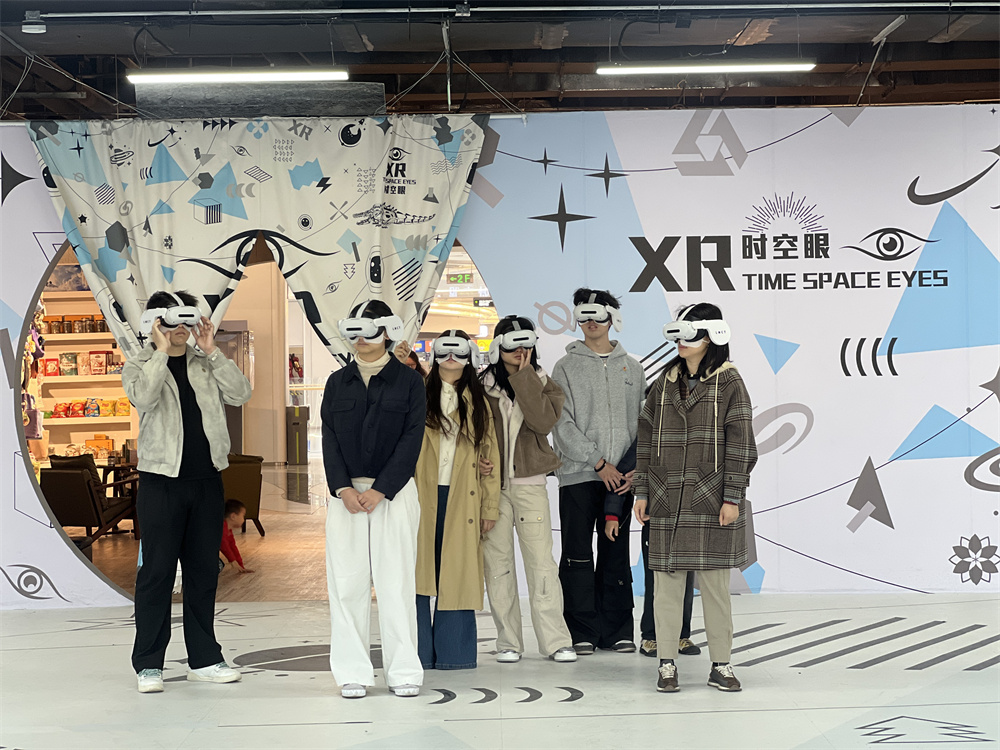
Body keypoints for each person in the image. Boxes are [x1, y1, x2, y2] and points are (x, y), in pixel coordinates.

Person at [123, 290, 252, 694]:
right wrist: (161, 352)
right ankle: (149, 664)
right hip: (161, 482)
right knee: (157, 573)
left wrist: (212, 350)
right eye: (171, 320)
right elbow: (143, 398)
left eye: (186, 319)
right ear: (154, 323)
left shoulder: (205, 362)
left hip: (206, 480)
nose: (181, 328)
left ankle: (205, 659)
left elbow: (241, 394)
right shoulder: (139, 364)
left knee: (202, 572)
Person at [633, 303, 757, 693]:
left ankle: (721, 664)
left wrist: (732, 496)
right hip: (666, 496)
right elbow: (645, 438)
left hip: (711, 497)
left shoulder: (729, 382)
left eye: (691, 334)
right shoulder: (664, 383)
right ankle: (666, 663)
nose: (682, 342)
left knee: (716, 588)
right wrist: (642, 490)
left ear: (711, 336)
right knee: (666, 587)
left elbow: (742, 444)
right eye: (680, 333)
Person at [321, 300, 426, 699]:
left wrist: (382, 489)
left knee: (396, 582)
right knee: (347, 583)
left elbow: (412, 439)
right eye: (354, 331)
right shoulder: (337, 382)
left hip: (393, 496)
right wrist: (342, 488)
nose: (360, 339)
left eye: (368, 330)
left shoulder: (409, 382)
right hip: (346, 497)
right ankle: (352, 672)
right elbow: (329, 438)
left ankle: (404, 671)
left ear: (386, 331)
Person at [551, 289, 646, 655]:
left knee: (615, 552)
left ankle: (618, 629)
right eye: (583, 315)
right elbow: (561, 422)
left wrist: (632, 468)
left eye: (598, 315)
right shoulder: (565, 367)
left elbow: (644, 423)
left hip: (621, 479)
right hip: (579, 475)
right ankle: (581, 630)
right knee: (576, 554)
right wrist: (597, 461)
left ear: (612, 318)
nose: (591, 322)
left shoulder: (632, 368)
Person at [479, 315, 576, 664]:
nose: (519, 350)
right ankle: (508, 640)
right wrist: (476, 461)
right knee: (498, 564)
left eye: (526, 343)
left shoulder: (546, 384)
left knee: (541, 564)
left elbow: (542, 422)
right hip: (491, 488)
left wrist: (523, 377)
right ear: (497, 345)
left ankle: (555, 641)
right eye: (511, 344)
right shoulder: (481, 386)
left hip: (530, 484)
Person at [414, 330, 500, 670]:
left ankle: (455, 653)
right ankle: (416, 653)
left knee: (457, 574)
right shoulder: (417, 395)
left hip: (463, 497)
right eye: (444, 350)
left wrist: (489, 506)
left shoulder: (479, 403)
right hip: (420, 494)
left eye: (459, 351)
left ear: (470, 357)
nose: (451, 357)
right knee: (417, 575)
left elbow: (490, 457)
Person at [219, 499, 254, 575]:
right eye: (243, 516)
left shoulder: (228, 530)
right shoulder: (222, 527)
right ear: (233, 516)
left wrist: (240, 566)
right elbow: (223, 544)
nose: (243, 519)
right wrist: (232, 561)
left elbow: (232, 546)